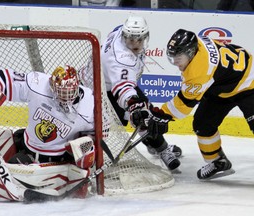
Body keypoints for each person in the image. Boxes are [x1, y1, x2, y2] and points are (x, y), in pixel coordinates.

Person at [0, 66, 96, 198]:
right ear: (52, 86)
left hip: (54, 163)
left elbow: (100, 134)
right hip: (25, 145)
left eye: (70, 93)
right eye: (62, 92)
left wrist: (82, 145)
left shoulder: (90, 105)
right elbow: (3, 78)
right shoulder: (38, 84)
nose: (66, 98)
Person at [158, 28, 254, 180]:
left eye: (179, 57)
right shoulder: (197, 43)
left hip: (250, 84)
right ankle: (218, 162)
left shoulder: (199, 71)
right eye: (173, 57)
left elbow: (182, 106)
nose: (175, 62)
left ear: (190, 52)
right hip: (221, 85)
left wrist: (161, 116)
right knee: (202, 125)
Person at [101, 16, 182, 171]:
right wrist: (133, 105)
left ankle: (159, 147)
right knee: (141, 116)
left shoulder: (120, 29)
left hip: (106, 81)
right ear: (125, 37)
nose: (135, 43)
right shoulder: (122, 59)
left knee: (145, 115)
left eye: (139, 39)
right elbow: (122, 86)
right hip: (101, 90)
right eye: (131, 40)